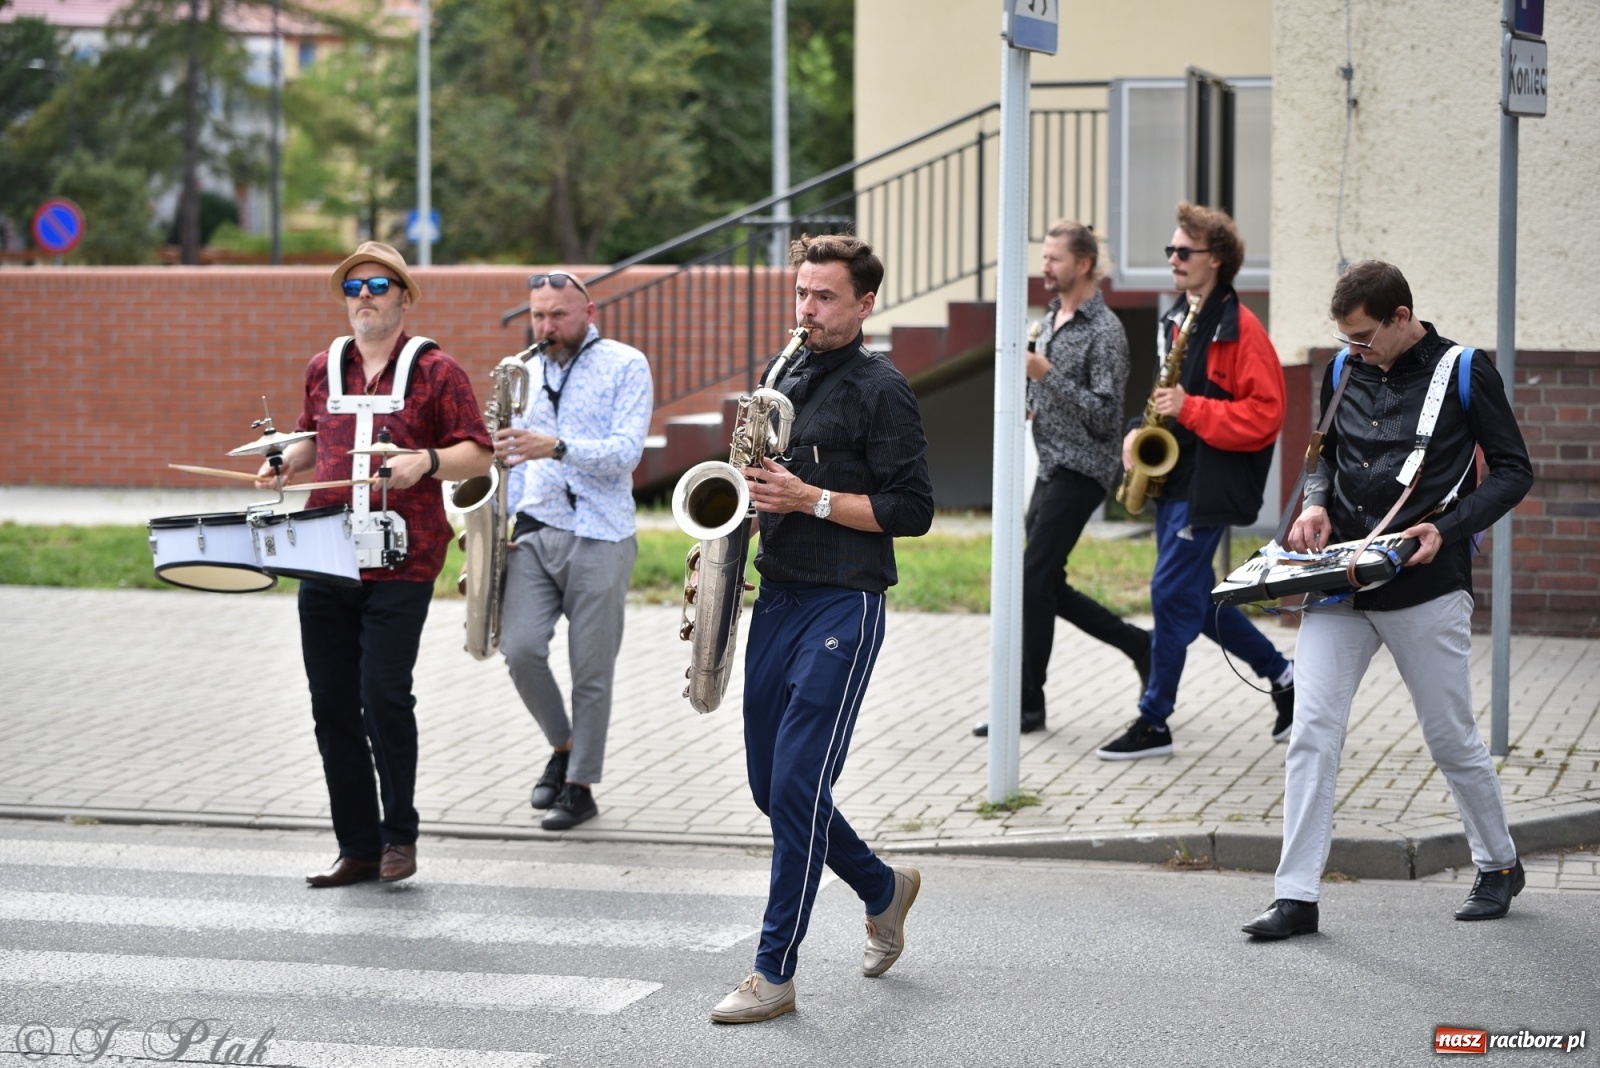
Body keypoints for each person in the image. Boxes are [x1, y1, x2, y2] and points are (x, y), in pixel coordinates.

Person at [1243, 261, 1534, 939]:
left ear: (1402, 317)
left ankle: (1498, 863)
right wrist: (1315, 504)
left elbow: (1514, 471)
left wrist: (1448, 528)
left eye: (1365, 336)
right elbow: (1324, 454)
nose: (1354, 349)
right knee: (1311, 733)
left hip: (1427, 586)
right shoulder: (1343, 368)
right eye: (1345, 338)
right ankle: (1295, 896)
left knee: (1449, 735)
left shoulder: (1466, 370)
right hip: (1339, 581)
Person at [710, 234, 935, 1024]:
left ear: (865, 304)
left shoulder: (883, 389)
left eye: (825, 296)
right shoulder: (783, 374)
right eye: (803, 292)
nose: (807, 309)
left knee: (797, 789)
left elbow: (914, 510)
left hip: (845, 601)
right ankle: (881, 886)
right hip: (779, 595)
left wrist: (809, 498)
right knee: (770, 789)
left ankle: (772, 973)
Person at [264, 241, 493, 887]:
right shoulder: (323, 367)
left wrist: (427, 462)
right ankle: (358, 846)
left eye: (377, 285)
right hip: (325, 554)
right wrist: (284, 461)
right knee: (331, 704)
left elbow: (479, 453)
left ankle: (399, 836)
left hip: (404, 559)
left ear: (404, 296)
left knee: (382, 695)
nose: (363, 296)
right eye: (352, 286)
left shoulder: (437, 370)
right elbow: (316, 438)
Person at [1095, 202, 1294, 760]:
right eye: (1171, 250)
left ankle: (1154, 719)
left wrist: (1191, 408)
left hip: (1210, 483)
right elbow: (1163, 397)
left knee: (1168, 592)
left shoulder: (1243, 329)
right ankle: (1285, 678)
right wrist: (1136, 432)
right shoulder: (1176, 320)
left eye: (1184, 251)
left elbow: (1266, 415)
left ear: (1217, 259)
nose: (1173, 259)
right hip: (1174, 478)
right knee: (1196, 599)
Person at [973, 219, 1150, 739]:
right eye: (1045, 256)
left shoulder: (1106, 331)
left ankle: (1027, 706)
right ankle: (1139, 645)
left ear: (1083, 264)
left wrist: (1045, 374)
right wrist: (1034, 399)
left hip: (1084, 467)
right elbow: (1047, 389)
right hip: (1051, 464)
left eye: (1054, 258)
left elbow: (1105, 414)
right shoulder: (1051, 316)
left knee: (1031, 580)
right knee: (1043, 582)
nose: (1045, 266)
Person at [493, 270, 653, 832]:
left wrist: (557, 447)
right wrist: (496, 523)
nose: (546, 326)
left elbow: (626, 453)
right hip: (535, 531)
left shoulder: (626, 365)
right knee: (519, 649)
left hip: (602, 532)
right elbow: (512, 456)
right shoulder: (523, 371)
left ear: (589, 312)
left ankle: (580, 786)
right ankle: (562, 747)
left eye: (558, 315)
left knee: (591, 671)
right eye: (538, 315)